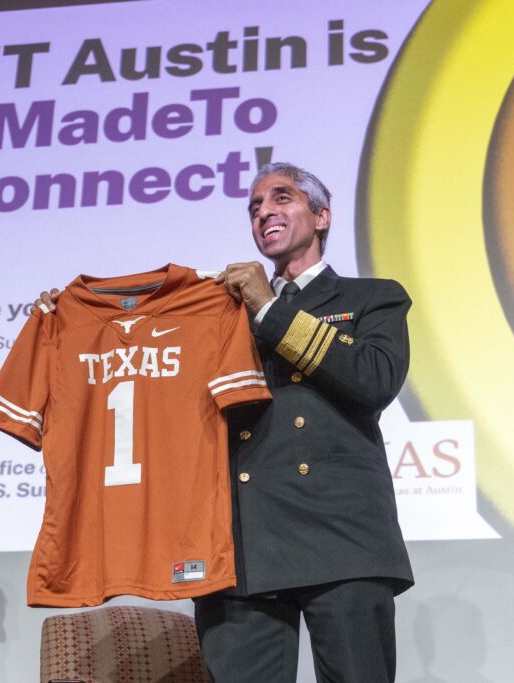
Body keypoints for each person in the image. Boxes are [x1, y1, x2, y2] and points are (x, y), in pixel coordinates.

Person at [36, 162, 413, 681]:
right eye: (255, 207)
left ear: (322, 216)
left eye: (281, 198)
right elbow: (142, 363)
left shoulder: (371, 297)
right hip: (236, 543)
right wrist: (68, 324)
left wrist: (267, 306)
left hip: (343, 537)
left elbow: (375, 381)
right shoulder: (216, 307)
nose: (264, 212)